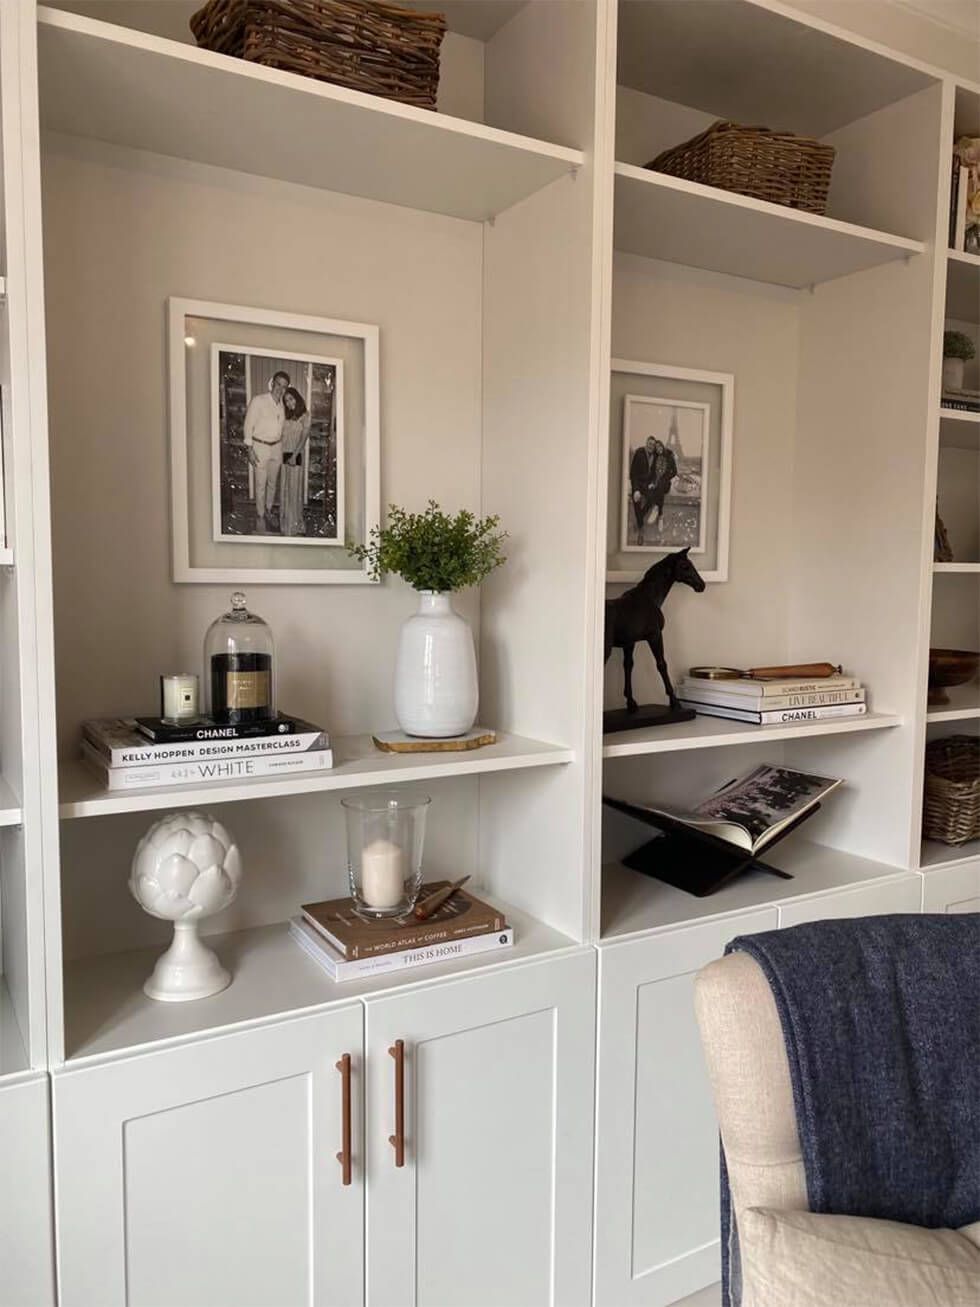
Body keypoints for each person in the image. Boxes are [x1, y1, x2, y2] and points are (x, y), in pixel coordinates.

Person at [243, 370, 289, 532]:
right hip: (260, 446)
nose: (280, 389)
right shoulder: (258, 401)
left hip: (277, 448)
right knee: (260, 483)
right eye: (278, 384)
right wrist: (249, 449)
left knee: (272, 483)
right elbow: (248, 425)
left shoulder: (283, 406)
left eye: (284, 386)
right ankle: (260, 515)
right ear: (272, 383)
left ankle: (268, 510)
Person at [279, 385, 312, 536]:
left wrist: (294, 456)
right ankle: (285, 524)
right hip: (284, 454)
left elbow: (304, 439)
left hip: (295, 455)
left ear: (297, 398)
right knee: (285, 489)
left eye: (291, 399)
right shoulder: (286, 416)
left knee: (294, 490)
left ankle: (295, 525)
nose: (288, 403)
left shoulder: (305, 415)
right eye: (286, 401)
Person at [629, 435, 658, 541]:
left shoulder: (655, 456)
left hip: (647, 485)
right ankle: (641, 530)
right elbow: (633, 473)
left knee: (651, 499)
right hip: (638, 483)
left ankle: (638, 521)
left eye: (653, 445)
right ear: (646, 443)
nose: (651, 446)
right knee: (636, 501)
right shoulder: (639, 452)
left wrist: (653, 483)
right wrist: (636, 489)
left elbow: (656, 473)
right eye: (650, 444)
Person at [648, 438, 678, 536]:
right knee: (654, 488)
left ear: (662, 446)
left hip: (665, 484)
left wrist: (666, 478)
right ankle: (659, 514)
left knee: (660, 485)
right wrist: (652, 482)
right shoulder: (655, 458)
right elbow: (652, 473)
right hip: (657, 484)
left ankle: (657, 510)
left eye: (659, 446)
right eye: (656, 448)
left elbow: (675, 472)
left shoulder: (669, 456)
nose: (658, 449)